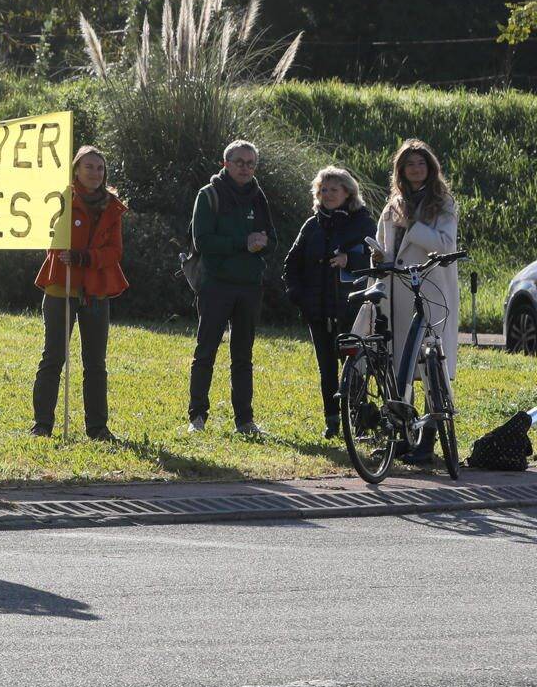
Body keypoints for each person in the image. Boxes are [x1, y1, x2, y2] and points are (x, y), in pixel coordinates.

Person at [29, 146, 126, 440]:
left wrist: (84, 258)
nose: (95, 173)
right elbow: (44, 236)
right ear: (75, 170)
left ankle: (97, 428)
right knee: (53, 357)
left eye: (100, 168)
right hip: (61, 287)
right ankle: (42, 425)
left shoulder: (112, 206)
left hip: (96, 291)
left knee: (95, 363)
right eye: (89, 167)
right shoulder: (60, 200)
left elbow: (115, 252)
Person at [372, 139, 460, 464]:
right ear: (401, 170)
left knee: (430, 366)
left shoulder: (442, 203)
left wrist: (414, 226)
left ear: (430, 167)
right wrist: (379, 256)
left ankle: (428, 441)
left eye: (421, 163)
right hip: (398, 292)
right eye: (409, 164)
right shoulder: (392, 204)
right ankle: (402, 436)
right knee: (402, 366)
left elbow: (446, 245)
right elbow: (386, 245)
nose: (416, 169)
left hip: (430, 290)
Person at [188, 139, 275, 436]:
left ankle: (245, 421)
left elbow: (272, 240)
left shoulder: (258, 196)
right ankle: (197, 416)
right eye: (239, 162)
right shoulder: (209, 195)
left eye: (251, 164)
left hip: (249, 287)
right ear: (225, 164)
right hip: (216, 285)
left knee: (243, 356)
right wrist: (243, 243)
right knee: (206, 351)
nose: (245, 168)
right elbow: (202, 241)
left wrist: (263, 243)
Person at [284, 166, 377, 439]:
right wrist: (298, 296)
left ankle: (359, 419)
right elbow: (291, 264)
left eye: (334, 189)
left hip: (351, 308)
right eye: (323, 190)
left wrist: (351, 260)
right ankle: (332, 420)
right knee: (326, 369)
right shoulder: (312, 225)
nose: (328, 195)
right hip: (318, 310)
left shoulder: (363, 223)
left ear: (348, 192)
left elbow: (379, 257)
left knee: (355, 366)